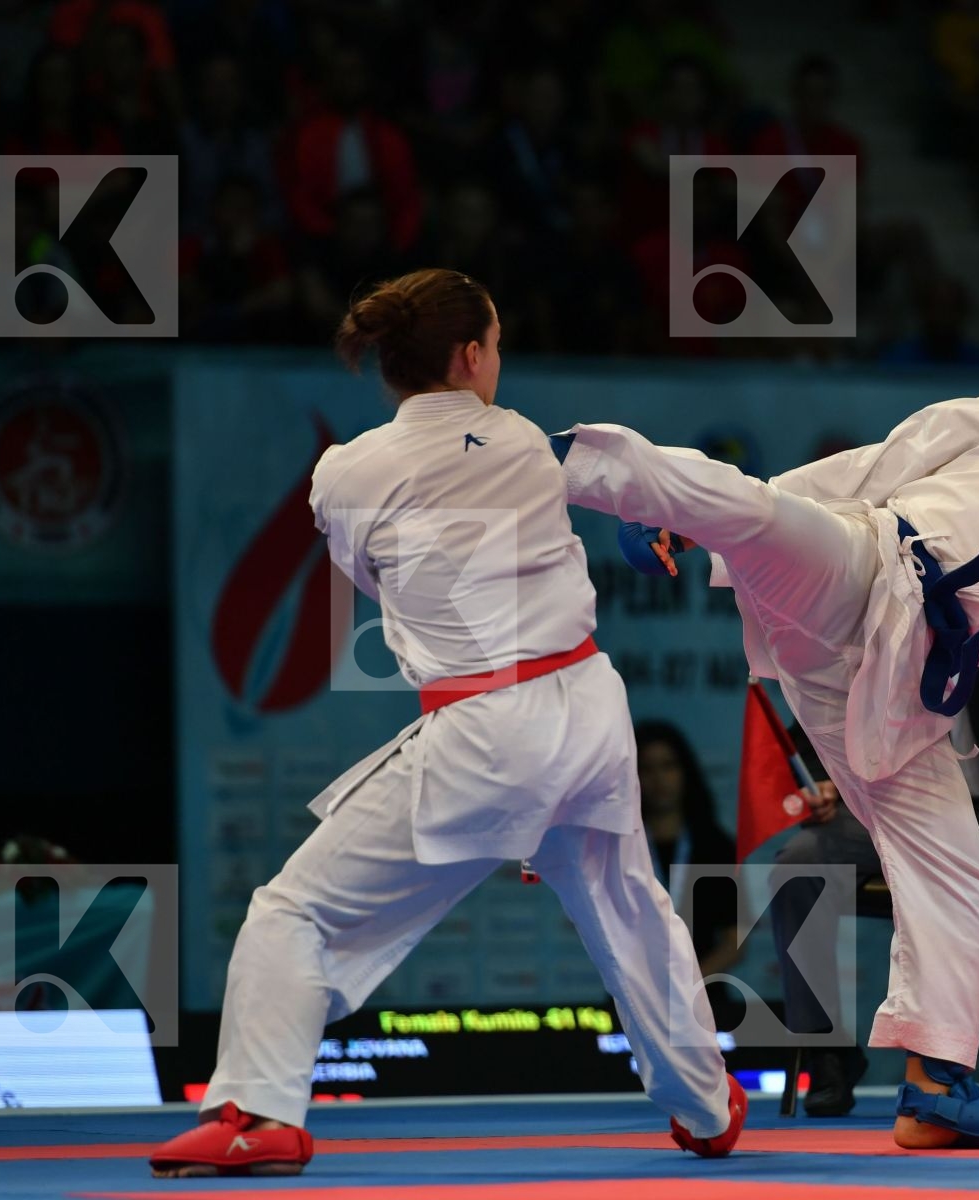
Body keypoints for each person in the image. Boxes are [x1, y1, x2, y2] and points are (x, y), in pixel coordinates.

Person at [553, 275, 979, 1148]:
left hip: (906, 678)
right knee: (767, 514)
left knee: (958, 872)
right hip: (866, 569)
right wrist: (688, 525)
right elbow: (860, 472)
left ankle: (933, 1089)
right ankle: (577, 467)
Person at [148, 270, 744, 1178]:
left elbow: (373, 578)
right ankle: (705, 1105)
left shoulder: (342, 473)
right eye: (495, 344)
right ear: (470, 356)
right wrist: (650, 518)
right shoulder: (535, 444)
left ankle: (256, 1113)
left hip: (484, 725)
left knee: (294, 912)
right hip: (587, 706)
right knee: (629, 907)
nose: (499, 361)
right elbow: (646, 475)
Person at [772, 656, 979, 1116]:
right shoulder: (878, 624)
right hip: (893, 810)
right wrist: (822, 781)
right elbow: (818, 713)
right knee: (800, 864)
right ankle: (825, 1048)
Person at [634, 720, 745, 1026]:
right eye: (647, 768)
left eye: (668, 766)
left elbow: (735, 941)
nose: (658, 779)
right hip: (637, 999)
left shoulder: (717, 846)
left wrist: (689, 986)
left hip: (705, 999)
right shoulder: (622, 850)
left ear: (685, 772)